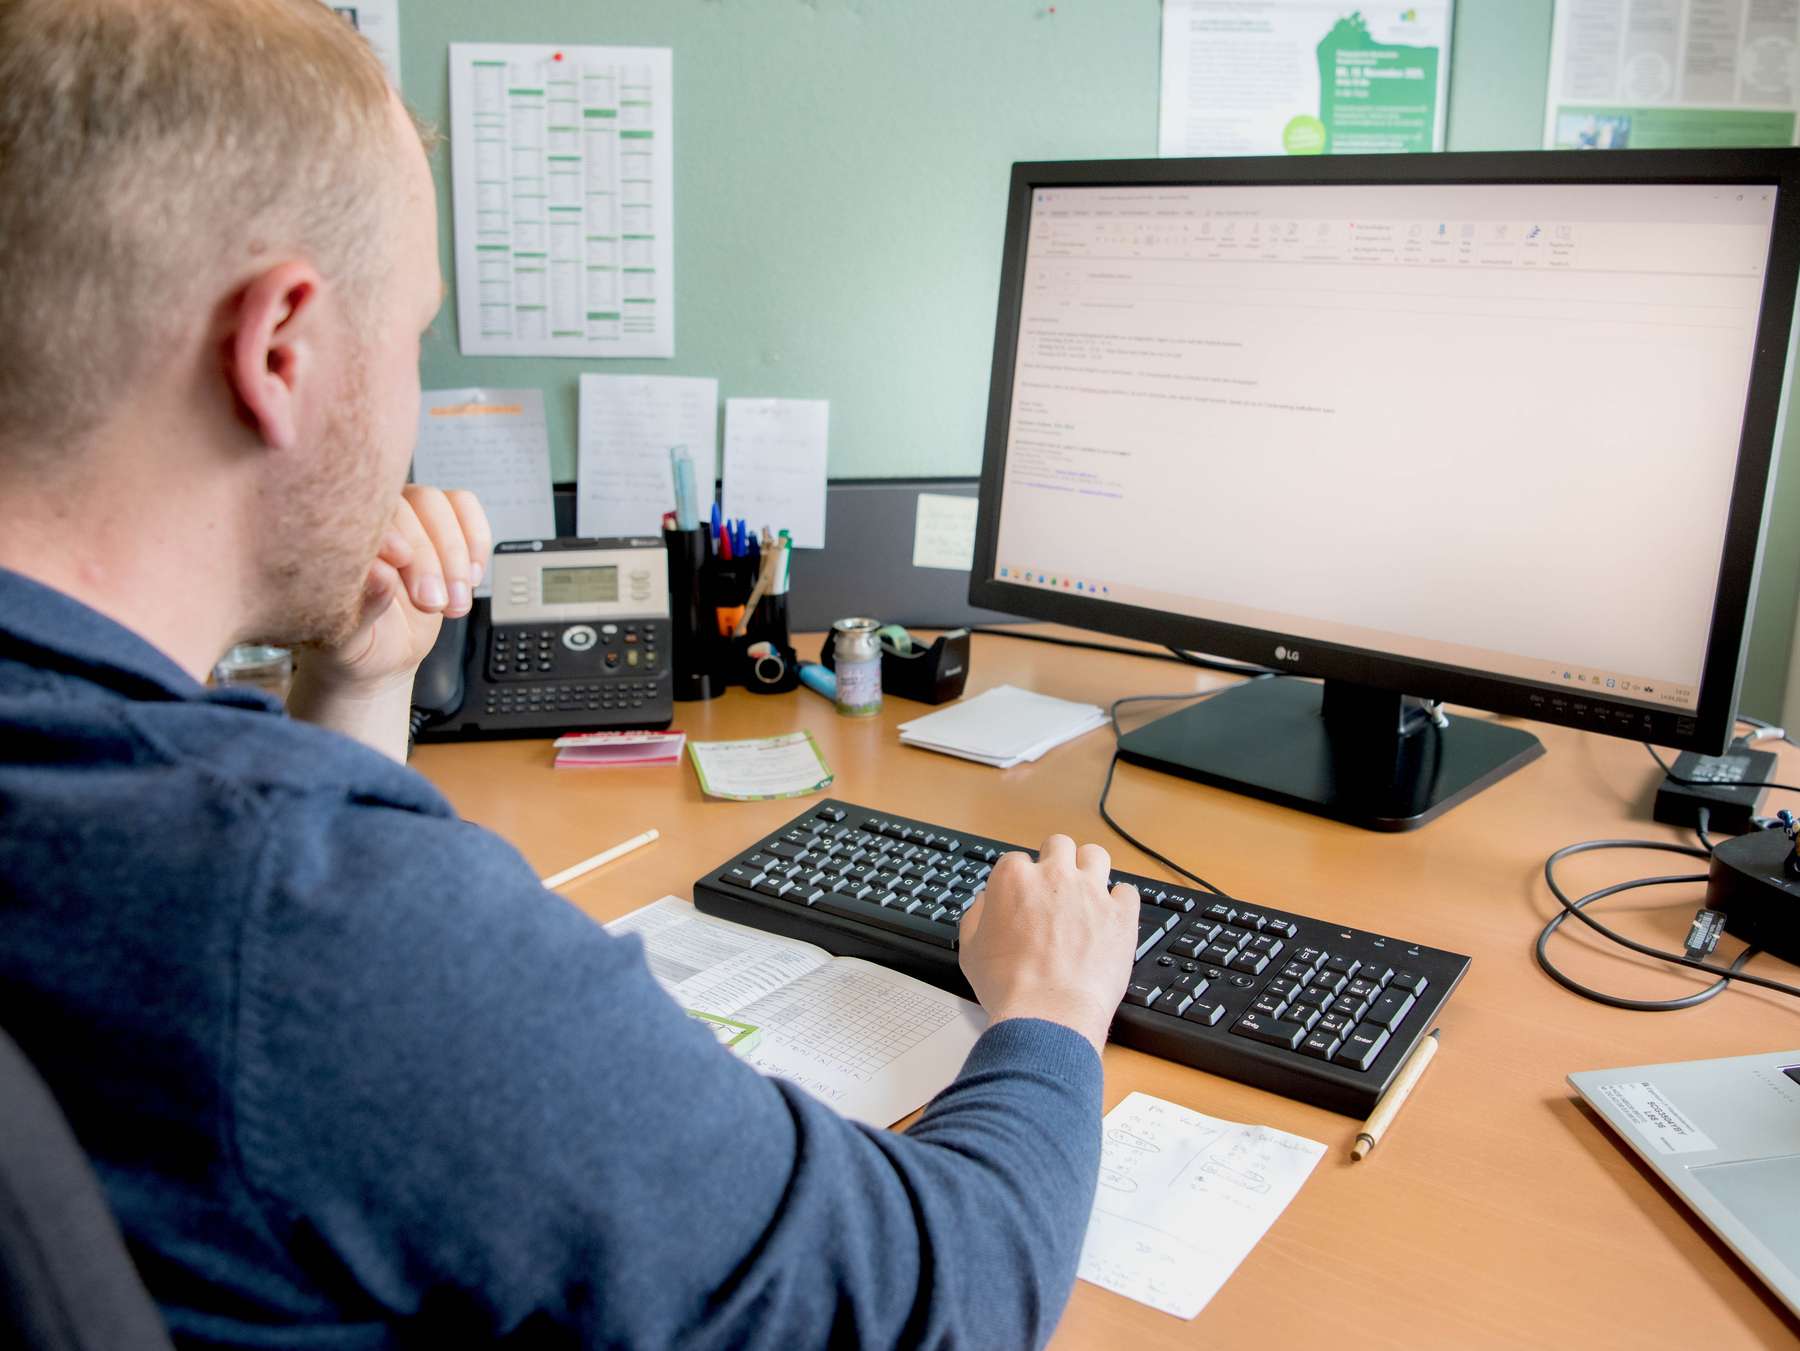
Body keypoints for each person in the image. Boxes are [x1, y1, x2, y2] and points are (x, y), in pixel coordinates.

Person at [0, 1, 1143, 1346]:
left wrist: (359, 694)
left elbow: (245, 1085)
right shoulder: (316, 911)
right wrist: (1051, 1016)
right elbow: (934, 1300)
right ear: (281, 351)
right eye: (413, 332)